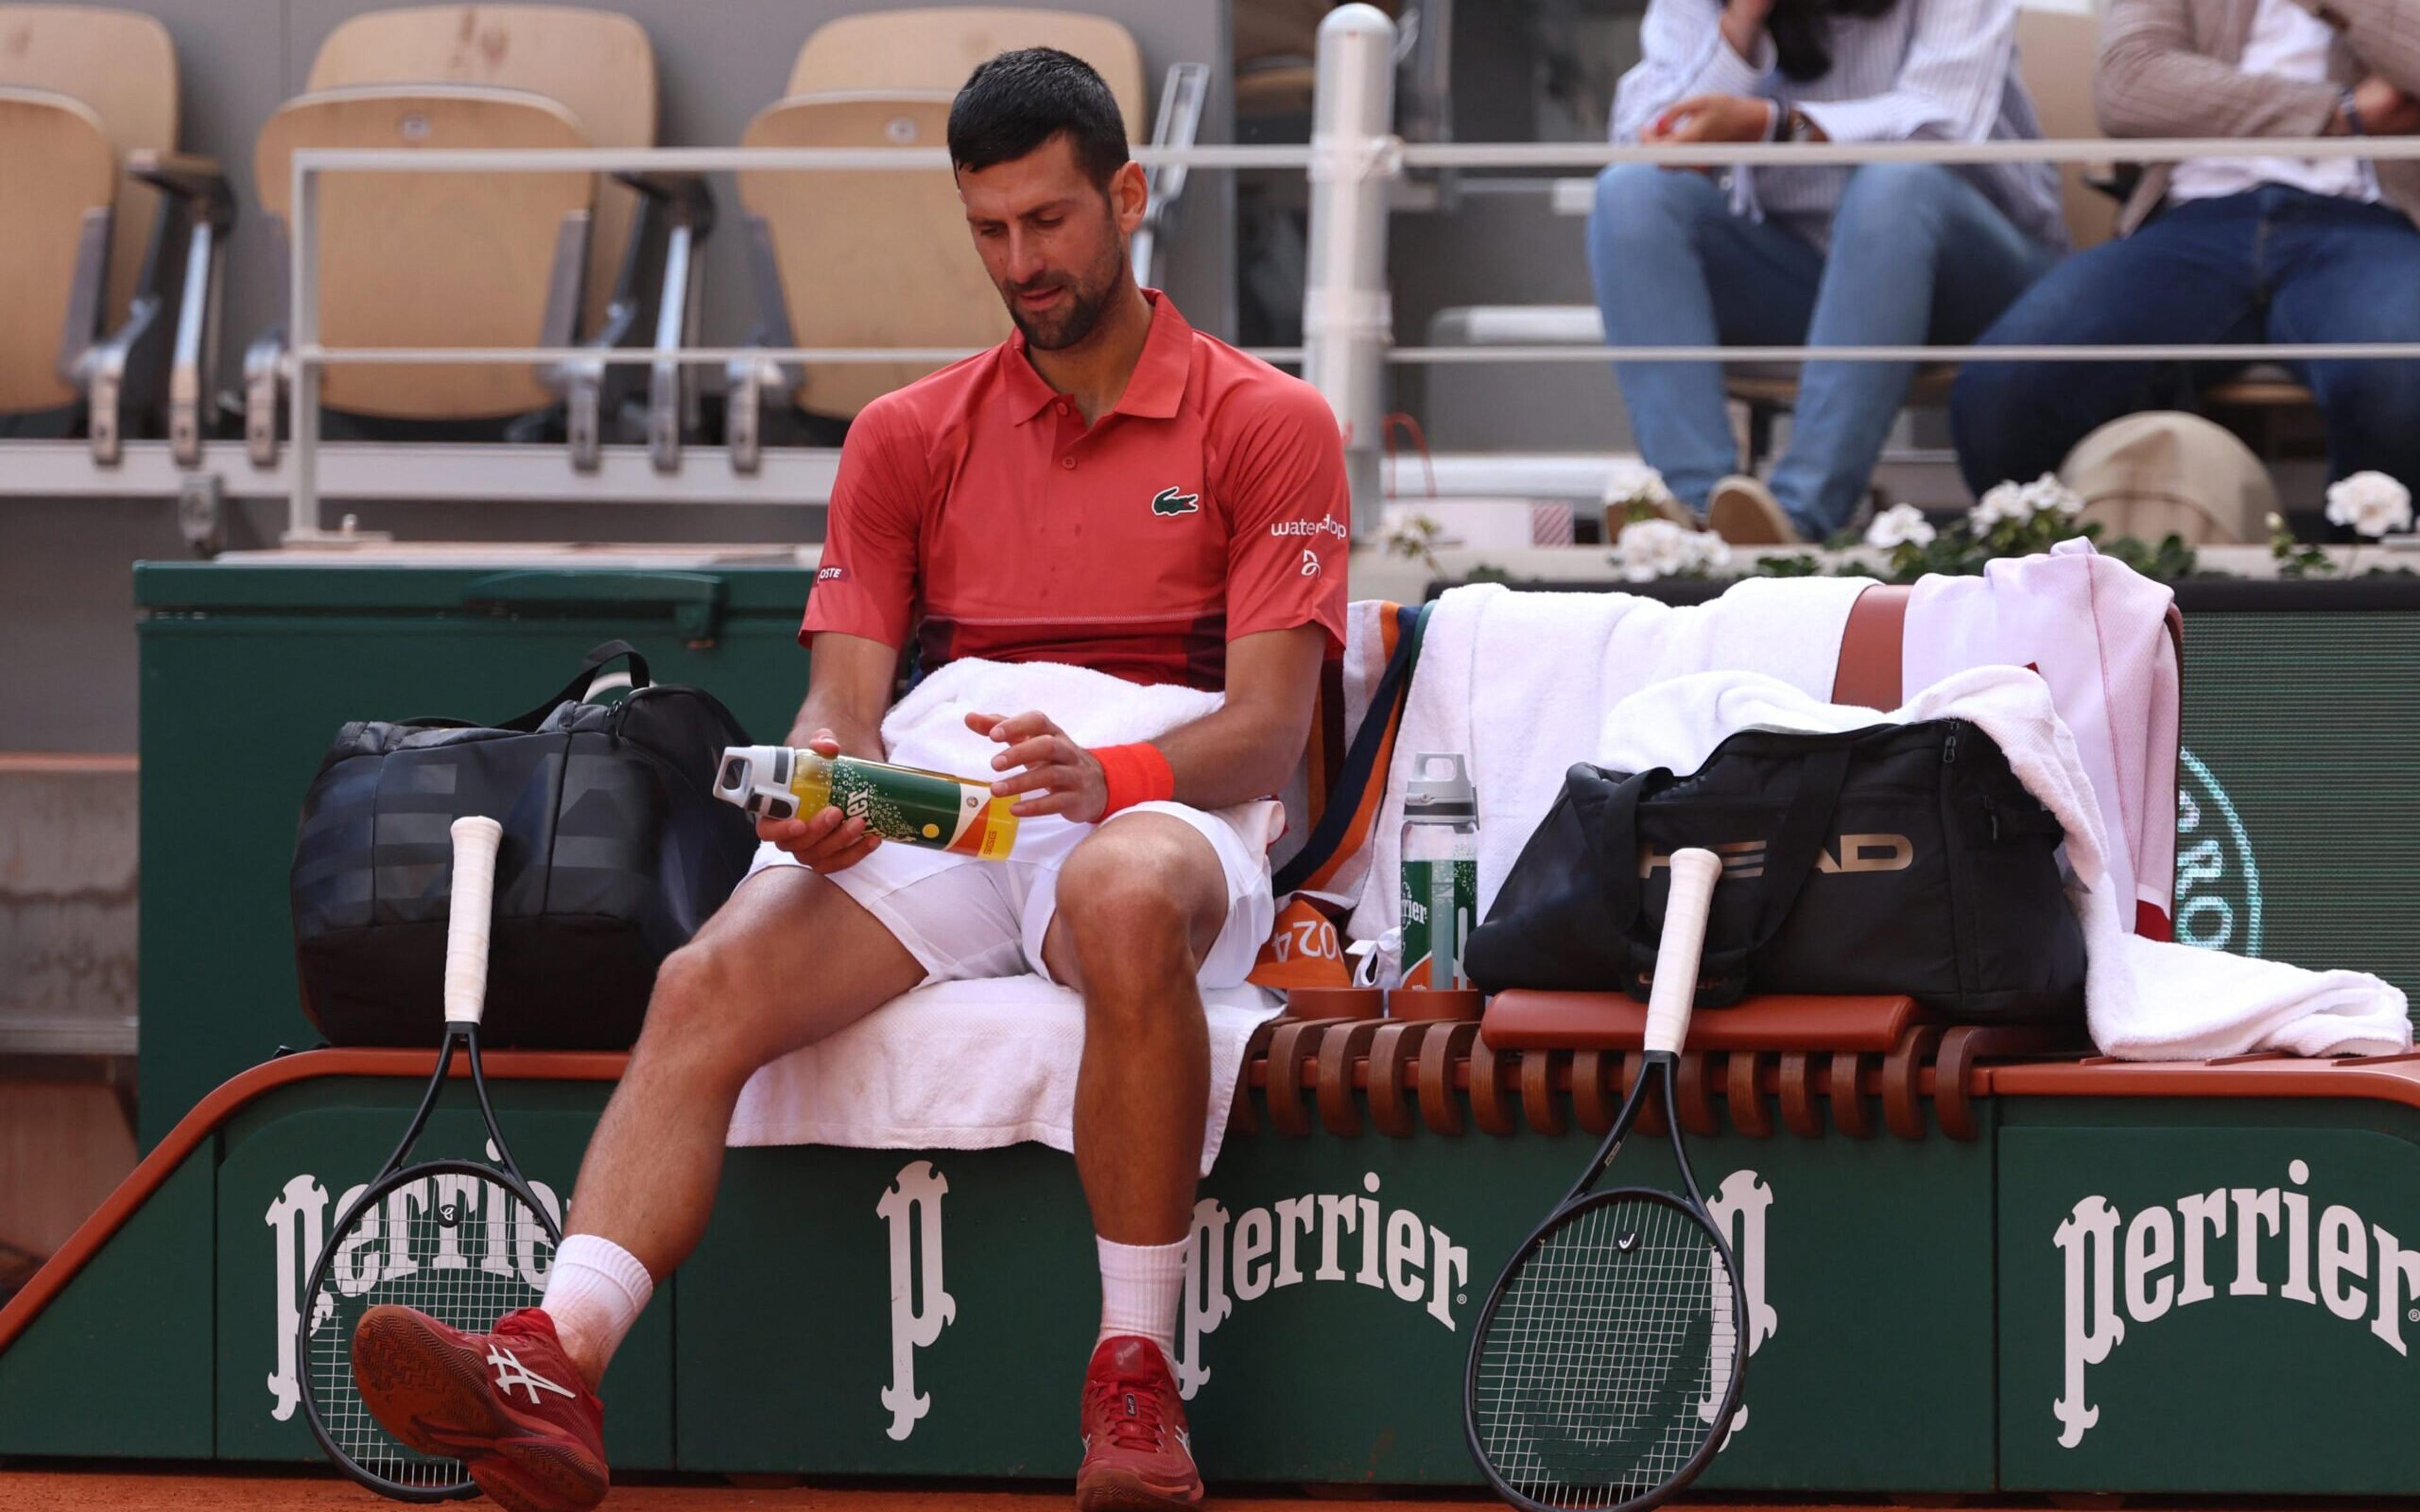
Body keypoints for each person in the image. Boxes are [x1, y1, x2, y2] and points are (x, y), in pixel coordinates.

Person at [342, 48, 1348, 1512]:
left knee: (1125, 900)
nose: (1023, 263)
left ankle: (1133, 1383)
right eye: (989, 229)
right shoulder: (902, 437)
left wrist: (1105, 771)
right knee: (703, 981)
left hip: (1156, 786)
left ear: (1128, 198)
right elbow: (841, 699)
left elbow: (1266, 726)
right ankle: (553, 1360)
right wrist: (817, 784)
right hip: (948, 781)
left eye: (1052, 223)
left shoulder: (1266, 420)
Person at [1590, 0, 2067, 544]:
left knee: (1895, 184)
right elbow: (1644, 139)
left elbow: (1942, 124)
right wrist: (1740, 27)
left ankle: (1799, 518)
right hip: (1811, 282)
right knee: (1631, 192)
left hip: (1979, 281)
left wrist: (1772, 126)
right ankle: (1702, 520)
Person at [1951, 0, 2420, 500]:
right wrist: (2337, 112)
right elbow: (2129, 87)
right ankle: (2073, 571)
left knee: (2402, 376)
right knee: (2002, 391)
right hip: (2193, 223)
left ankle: (2361, 573)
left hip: (2370, 224)